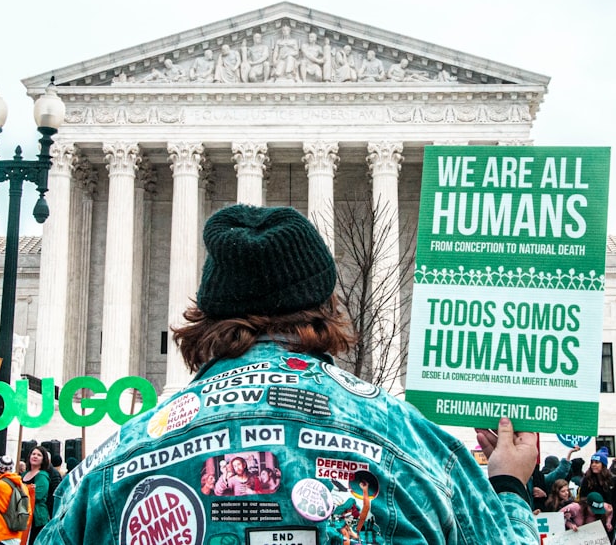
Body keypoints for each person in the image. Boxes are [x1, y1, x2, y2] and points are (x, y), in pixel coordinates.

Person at [39, 204, 539, 544]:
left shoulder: (107, 468)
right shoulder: (419, 449)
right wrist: (510, 486)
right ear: (326, 306)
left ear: (207, 315)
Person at [22, 446, 52, 543]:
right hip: (23, 515)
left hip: (37, 518)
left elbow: (38, 495)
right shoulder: (24, 474)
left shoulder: (42, 476)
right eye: (33, 454)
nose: (35, 456)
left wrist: (22, 491)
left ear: (43, 460)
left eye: (39, 455)